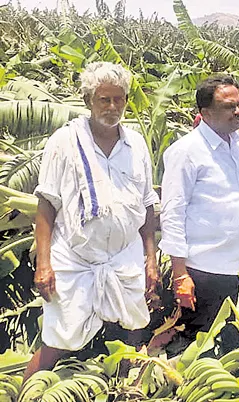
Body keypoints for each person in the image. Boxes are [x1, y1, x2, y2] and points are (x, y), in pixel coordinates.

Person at [25, 62, 160, 380]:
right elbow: (46, 205)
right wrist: (43, 264)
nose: (113, 107)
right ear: (88, 101)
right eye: (104, 99)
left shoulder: (136, 144)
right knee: (58, 340)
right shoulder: (65, 142)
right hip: (75, 259)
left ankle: (126, 384)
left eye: (119, 99)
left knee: (134, 327)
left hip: (124, 256)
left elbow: (147, 206)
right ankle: (24, 394)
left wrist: (150, 259)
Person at [159, 74, 239, 353]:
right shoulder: (186, 152)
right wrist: (180, 275)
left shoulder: (238, 143)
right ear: (205, 113)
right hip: (207, 271)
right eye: (229, 106)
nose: (238, 111)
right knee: (202, 351)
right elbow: (172, 212)